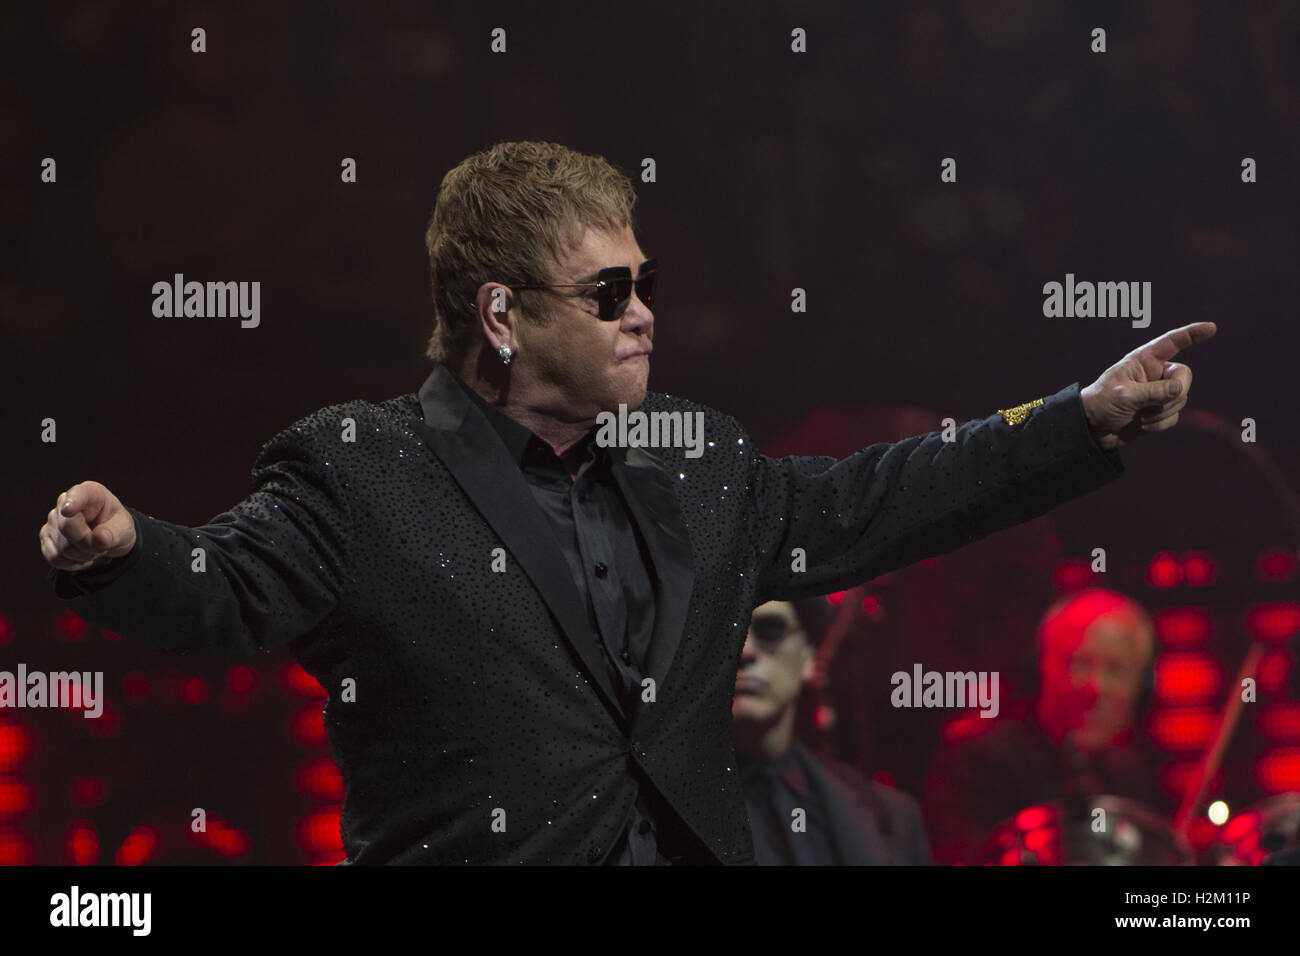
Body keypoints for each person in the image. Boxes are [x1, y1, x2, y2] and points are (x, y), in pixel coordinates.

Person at [38, 140, 1215, 865]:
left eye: (645, 284)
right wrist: (125, 548)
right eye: (608, 293)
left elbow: (871, 497)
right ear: (502, 315)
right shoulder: (359, 467)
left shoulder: (689, 451)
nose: (644, 312)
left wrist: (1077, 419)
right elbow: (223, 590)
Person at [922, 588, 1167, 864]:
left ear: (1142, 688)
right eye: (1079, 663)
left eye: (1116, 670)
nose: (1095, 687)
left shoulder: (1130, 775)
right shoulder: (975, 763)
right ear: (1039, 668)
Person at [733, 598, 931, 864]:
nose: (745, 650)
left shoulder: (893, 818)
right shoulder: (665, 816)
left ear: (807, 656)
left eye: (770, 629)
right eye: (727, 632)